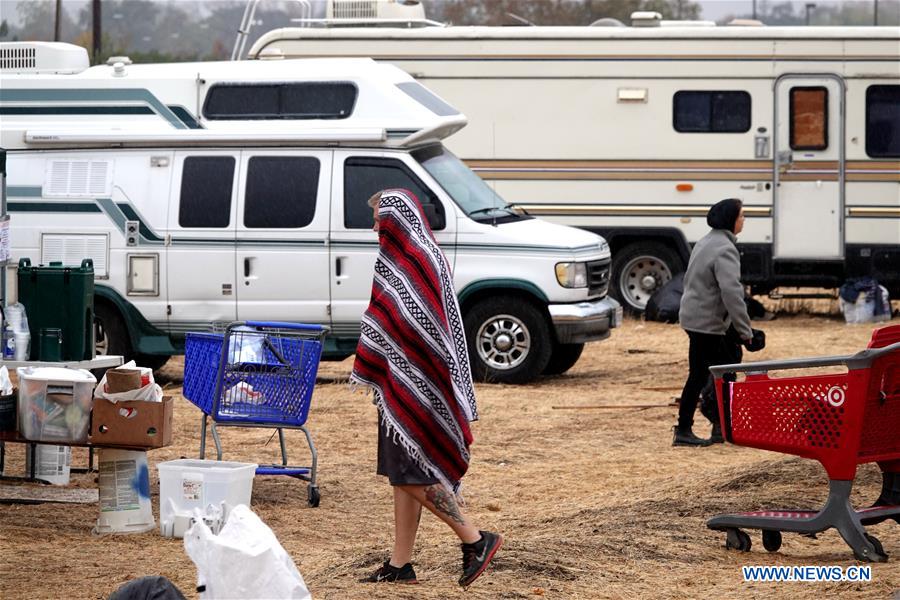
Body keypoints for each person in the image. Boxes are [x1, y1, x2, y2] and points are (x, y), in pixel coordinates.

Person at [351, 189, 502, 587]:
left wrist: (378, 339)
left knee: (411, 474)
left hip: (419, 384)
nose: (374, 226)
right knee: (403, 474)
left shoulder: (415, 260)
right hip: (409, 383)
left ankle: (475, 540)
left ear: (396, 221)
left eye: (378, 219)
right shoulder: (412, 256)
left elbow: (417, 327)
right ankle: (401, 565)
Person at [674, 198, 755, 447]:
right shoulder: (725, 249)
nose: (744, 221)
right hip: (707, 322)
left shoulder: (706, 241)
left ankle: (706, 427)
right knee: (721, 372)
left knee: (702, 373)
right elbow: (732, 294)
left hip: (695, 318)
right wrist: (745, 331)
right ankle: (708, 426)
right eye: (741, 216)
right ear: (731, 219)